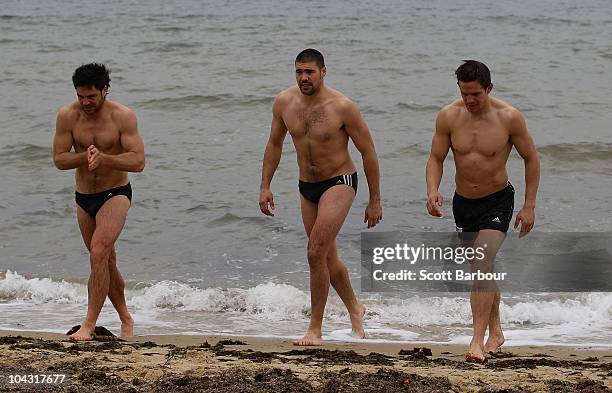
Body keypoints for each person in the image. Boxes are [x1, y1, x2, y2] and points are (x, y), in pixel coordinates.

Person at [259, 49, 382, 346]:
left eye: (309, 72)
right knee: (326, 254)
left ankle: (315, 328)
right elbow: (274, 144)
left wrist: (375, 199)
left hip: (339, 181)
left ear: (324, 72)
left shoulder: (343, 107)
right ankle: (355, 308)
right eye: (299, 72)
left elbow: (368, 152)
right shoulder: (284, 103)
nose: (303, 78)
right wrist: (265, 186)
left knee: (315, 251)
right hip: (307, 185)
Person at [426, 60, 540, 363]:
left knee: (481, 260)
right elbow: (436, 157)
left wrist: (529, 206)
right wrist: (433, 189)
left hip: (497, 201)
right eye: (464, 94)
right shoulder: (449, 116)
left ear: (489, 88)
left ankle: (476, 341)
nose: (470, 101)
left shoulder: (509, 118)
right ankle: (497, 332)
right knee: (481, 268)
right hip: (463, 203)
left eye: (476, 94)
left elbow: (531, 158)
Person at [53, 63, 145, 341]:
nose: (85, 102)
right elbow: (59, 159)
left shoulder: (122, 117)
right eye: (81, 96)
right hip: (84, 198)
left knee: (98, 252)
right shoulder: (67, 116)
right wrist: (85, 157)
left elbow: (138, 161)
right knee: (105, 260)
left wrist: (106, 159)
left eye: (91, 96)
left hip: (114, 193)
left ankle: (89, 325)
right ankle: (126, 318)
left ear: (105, 89)